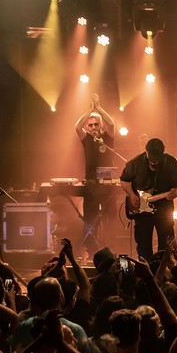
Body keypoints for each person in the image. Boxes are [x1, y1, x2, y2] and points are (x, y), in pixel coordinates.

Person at [120, 138, 177, 261]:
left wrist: (173, 194)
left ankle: (164, 271)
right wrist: (132, 195)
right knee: (143, 248)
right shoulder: (135, 163)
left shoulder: (170, 162)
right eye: (151, 160)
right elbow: (124, 180)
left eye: (157, 160)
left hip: (164, 209)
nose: (154, 163)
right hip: (142, 213)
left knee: (166, 246)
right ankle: (147, 272)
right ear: (146, 152)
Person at [73, 93, 117, 256]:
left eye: (95, 125)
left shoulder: (107, 137)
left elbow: (111, 123)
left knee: (109, 218)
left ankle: (110, 250)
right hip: (91, 186)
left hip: (107, 186)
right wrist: (89, 111)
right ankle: (92, 251)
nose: (92, 128)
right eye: (90, 125)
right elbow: (77, 126)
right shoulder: (86, 139)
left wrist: (98, 109)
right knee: (90, 218)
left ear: (101, 126)